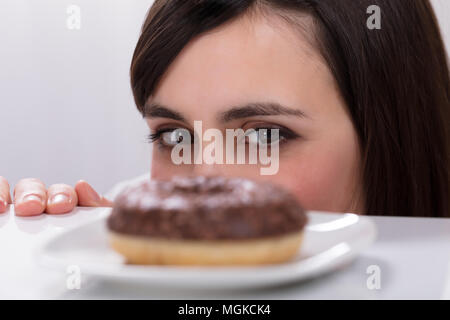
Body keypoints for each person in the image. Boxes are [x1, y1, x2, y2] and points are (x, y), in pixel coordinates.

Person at [0, 0, 449, 217]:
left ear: (390, 141)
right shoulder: (123, 225)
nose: (203, 185)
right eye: (174, 137)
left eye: (262, 137)